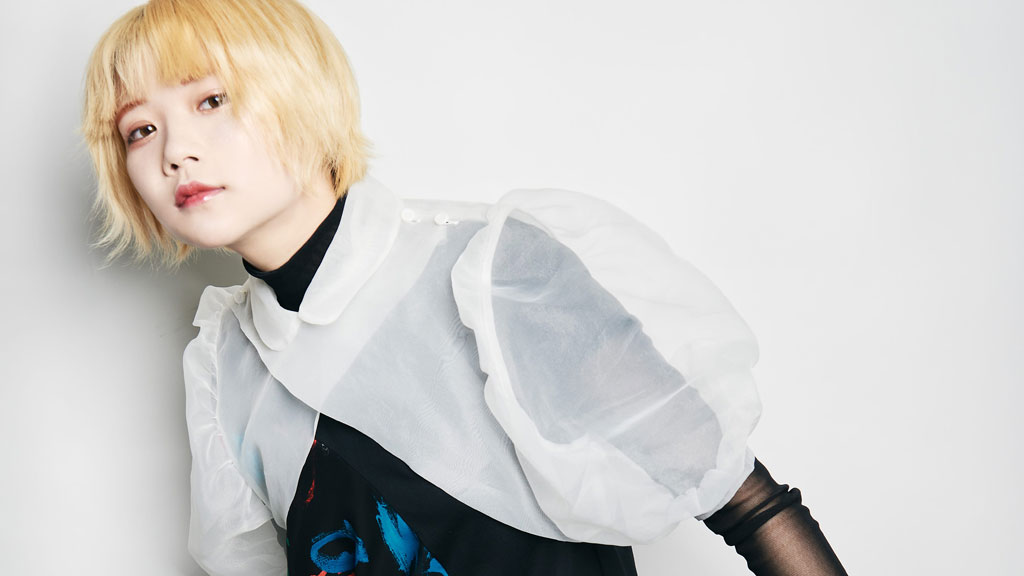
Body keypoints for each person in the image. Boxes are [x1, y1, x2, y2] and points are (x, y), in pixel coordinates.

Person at [82, 0, 848, 574]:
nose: (175, 151)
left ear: (298, 89)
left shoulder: (489, 270)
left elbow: (745, 502)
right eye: (139, 129)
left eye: (210, 100)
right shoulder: (224, 364)